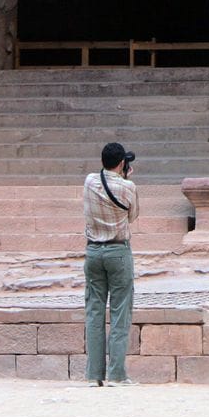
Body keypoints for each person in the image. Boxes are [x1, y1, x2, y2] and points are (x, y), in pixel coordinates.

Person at [83, 142, 140, 386]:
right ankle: (117, 374)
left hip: (93, 252)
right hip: (118, 251)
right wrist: (125, 178)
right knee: (120, 312)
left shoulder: (89, 181)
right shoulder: (127, 187)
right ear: (121, 164)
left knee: (94, 311)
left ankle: (94, 374)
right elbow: (133, 216)